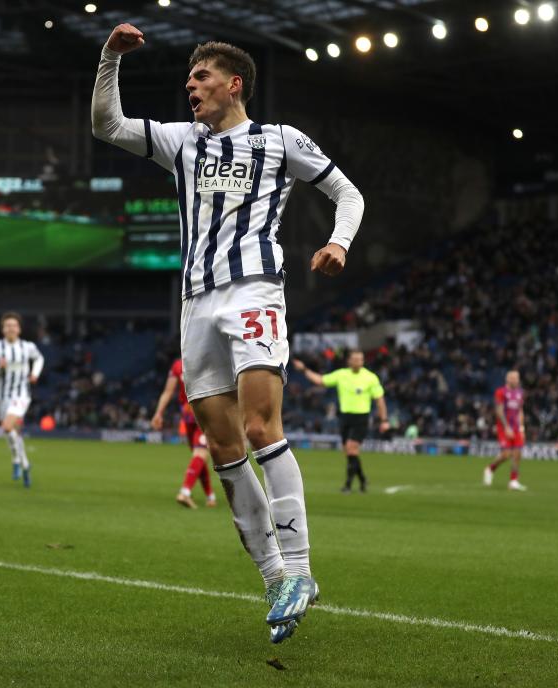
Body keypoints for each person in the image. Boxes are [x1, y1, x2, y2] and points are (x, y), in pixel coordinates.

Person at [92, 24, 364, 643]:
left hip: (254, 292)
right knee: (223, 448)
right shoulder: (181, 143)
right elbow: (107, 124)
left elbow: (348, 194)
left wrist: (338, 242)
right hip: (194, 304)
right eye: (189, 78)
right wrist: (109, 57)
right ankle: (274, 578)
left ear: (233, 83)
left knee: (263, 426)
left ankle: (299, 568)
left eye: (201, 77)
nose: (190, 86)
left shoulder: (279, 140)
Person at [292, 351, 388, 493]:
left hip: (361, 417)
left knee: (351, 448)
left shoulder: (370, 377)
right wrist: (304, 369)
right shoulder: (341, 374)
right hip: (345, 418)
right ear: (349, 361)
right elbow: (320, 380)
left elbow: (379, 400)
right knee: (349, 452)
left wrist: (384, 420)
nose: (358, 362)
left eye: (360, 359)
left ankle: (348, 486)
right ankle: (362, 480)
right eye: (355, 359)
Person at [0, 312, 44, 487]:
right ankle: (24, 464)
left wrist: (34, 374)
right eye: (7, 325)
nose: (10, 328)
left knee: (7, 426)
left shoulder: (27, 347)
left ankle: (16, 459)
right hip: (2, 396)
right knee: (12, 433)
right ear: (3, 329)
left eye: (13, 325)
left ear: (19, 329)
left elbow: (39, 358)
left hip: (21, 394)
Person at [151, 358, 217, 509]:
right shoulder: (209, 360)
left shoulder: (178, 365)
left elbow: (168, 392)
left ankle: (210, 496)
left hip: (187, 414)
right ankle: (185, 493)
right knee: (200, 454)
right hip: (204, 414)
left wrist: (158, 413)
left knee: (198, 456)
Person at [483, 370, 527, 491]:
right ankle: (490, 468)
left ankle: (514, 481)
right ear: (507, 379)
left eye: (517, 378)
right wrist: (506, 426)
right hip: (504, 427)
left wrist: (522, 428)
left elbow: (520, 411)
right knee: (506, 454)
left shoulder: (520, 393)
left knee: (517, 453)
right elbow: (499, 410)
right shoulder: (501, 392)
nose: (515, 380)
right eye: (513, 378)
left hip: (516, 427)